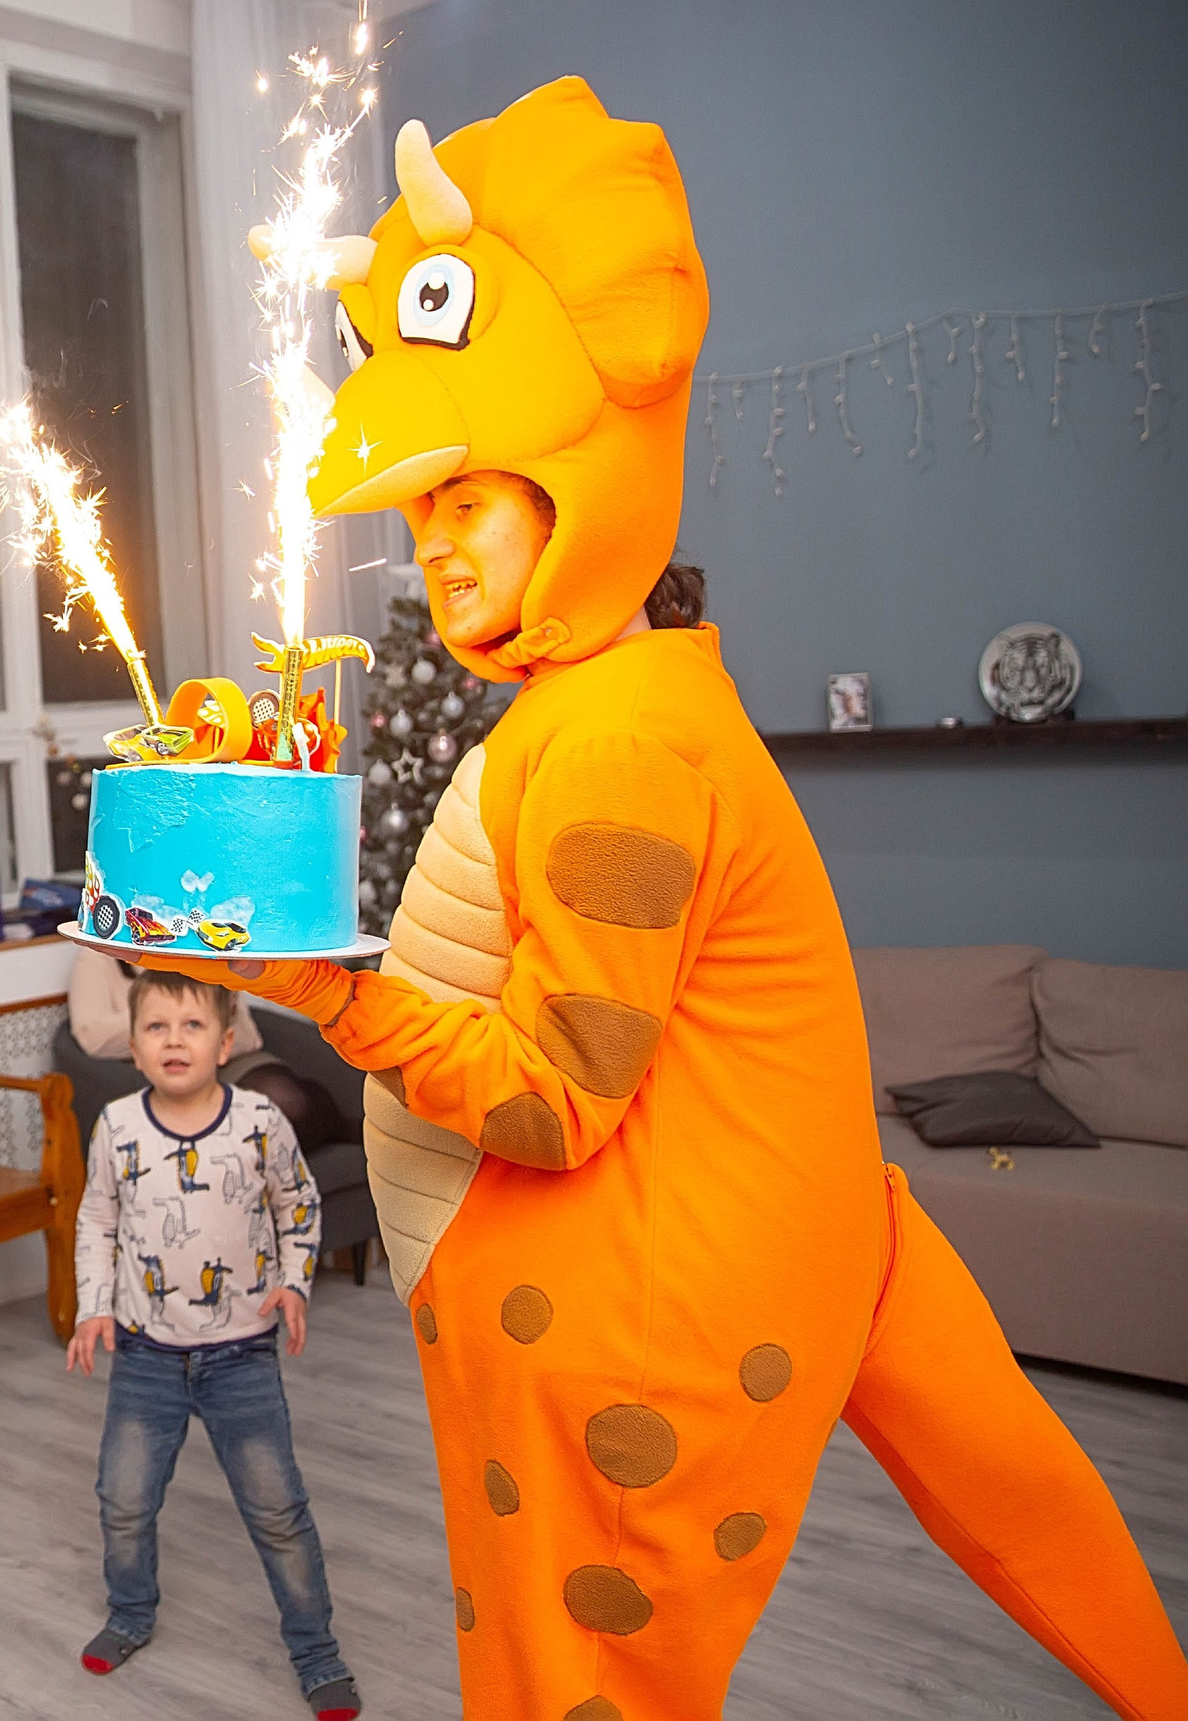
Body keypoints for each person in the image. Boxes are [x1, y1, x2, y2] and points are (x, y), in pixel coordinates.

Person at [181, 78, 1188, 1718]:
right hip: (774, 1237)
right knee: (1030, 1508)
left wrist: (321, 985)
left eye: (471, 497)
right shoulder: (610, 702)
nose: (436, 549)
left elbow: (559, 1106)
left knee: (577, 1680)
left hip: (638, 1309)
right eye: (425, 510)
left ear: (579, 484)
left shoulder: (617, 750)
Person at [64, 969, 356, 1721]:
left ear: (225, 1043)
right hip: (145, 1355)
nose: (174, 1040)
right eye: (157, 1027)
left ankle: (316, 1651)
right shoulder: (119, 1127)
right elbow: (96, 1221)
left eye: (191, 1026)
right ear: (133, 1046)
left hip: (241, 1356)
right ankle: (131, 1611)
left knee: (278, 1508)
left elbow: (298, 1205)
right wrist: (93, 1305)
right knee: (123, 1498)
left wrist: (295, 1281)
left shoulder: (258, 1121)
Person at [68, 948, 346, 1150]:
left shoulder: (199, 944)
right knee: (254, 1124)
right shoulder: (100, 958)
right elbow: (92, 1034)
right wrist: (168, 1018)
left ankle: (337, 1127)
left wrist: (200, 1028)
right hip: (168, 1070)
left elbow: (248, 1038)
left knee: (286, 1102)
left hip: (234, 1062)